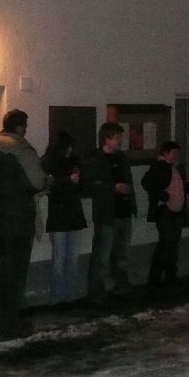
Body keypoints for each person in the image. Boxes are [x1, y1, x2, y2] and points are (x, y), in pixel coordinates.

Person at [0, 109, 47, 339]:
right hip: (19, 219)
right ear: (19, 127)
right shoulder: (21, 148)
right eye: (25, 126)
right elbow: (37, 182)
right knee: (16, 274)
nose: (26, 130)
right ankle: (12, 324)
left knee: (6, 271)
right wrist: (48, 182)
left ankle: (6, 321)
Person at [81, 122, 137, 305]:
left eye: (121, 137)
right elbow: (87, 186)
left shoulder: (121, 157)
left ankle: (121, 285)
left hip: (123, 211)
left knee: (122, 254)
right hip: (107, 214)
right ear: (106, 139)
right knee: (102, 255)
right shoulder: (95, 158)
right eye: (117, 137)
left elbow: (128, 181)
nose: (120, 140)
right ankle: (96, 292)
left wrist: (130, 198)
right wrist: (113, 188)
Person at [40, 132, 87, 309]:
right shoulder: (49, 162)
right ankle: (58, 296)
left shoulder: (73, 162)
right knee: (60, 258)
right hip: (60, 214)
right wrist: (69, 180)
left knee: (71, 257)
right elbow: (48, 185)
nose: (70, 150)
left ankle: (70, 295)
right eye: (68, 147)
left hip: (71, 213)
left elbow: (81, 186)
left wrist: (77, 180)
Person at [141, 140, 189, 289]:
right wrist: (162, 196)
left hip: (175, 211)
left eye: (177, 153)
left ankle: (169, 276)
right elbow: (147, 183)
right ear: (165, 153)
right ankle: (156, 279)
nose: (176, 156)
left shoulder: (172, 168)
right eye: (173, 153)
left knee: (172, 245)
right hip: (166, 211)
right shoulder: (160, 167)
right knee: (166, 244)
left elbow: (176, 188)